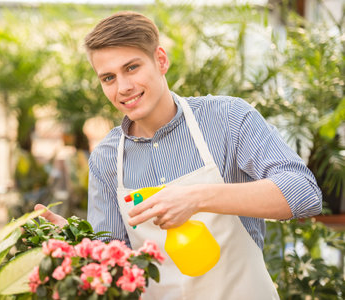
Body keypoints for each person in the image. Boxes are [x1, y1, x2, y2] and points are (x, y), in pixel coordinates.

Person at [36, 11, 322, 299]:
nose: (123, 87)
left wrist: (196, 198)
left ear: (160, 60)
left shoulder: (228, 118)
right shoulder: (107, 158)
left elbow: (303, 193)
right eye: (109, 78)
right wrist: (76, 244)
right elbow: (116, 263)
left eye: (132, 68)